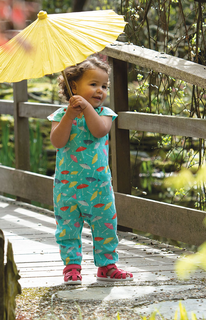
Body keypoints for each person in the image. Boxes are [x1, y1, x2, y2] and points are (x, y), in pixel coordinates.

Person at [47, 56, 133, 284]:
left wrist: (86, 109)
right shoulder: (59, 115)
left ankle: (107, 266)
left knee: (105, 224)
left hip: (98, 184)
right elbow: (58, 141)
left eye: (104, 86)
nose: (100, 91)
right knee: (67, 228)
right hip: (67, 187)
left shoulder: (104, 113)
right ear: (73, 86)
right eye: (93, 84)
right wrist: (69, 114)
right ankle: (72, 267)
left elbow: (99, 131)